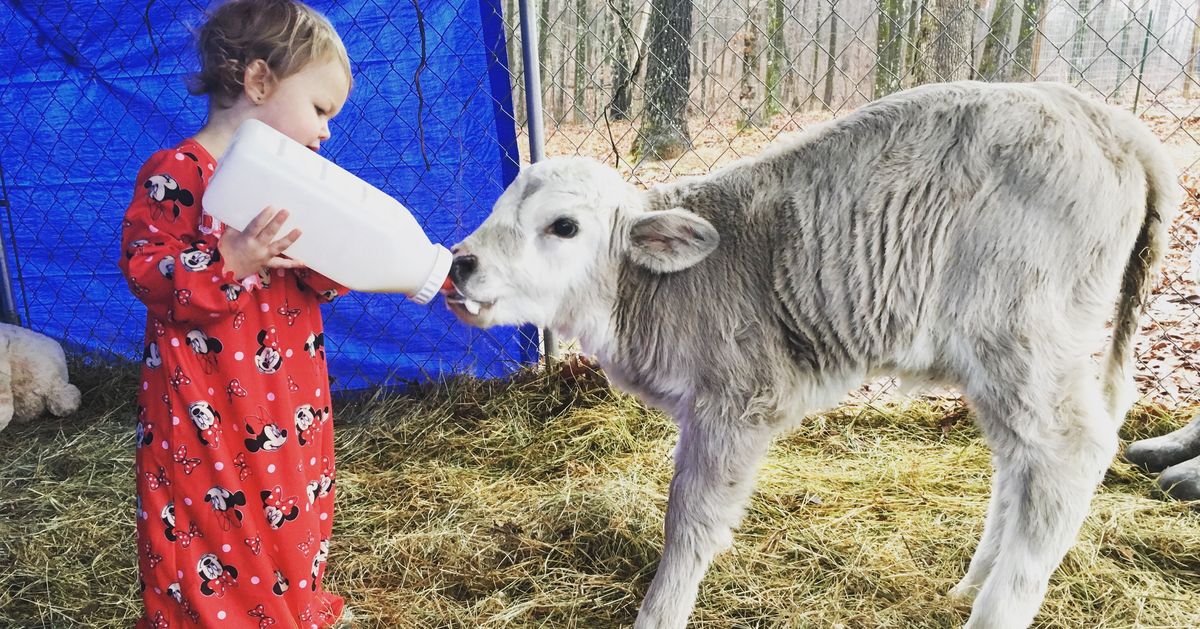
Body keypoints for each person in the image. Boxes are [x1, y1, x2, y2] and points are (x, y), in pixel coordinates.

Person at [118, 1, 354, 625]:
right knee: (209, 518)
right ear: (257, 82)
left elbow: (331, 277)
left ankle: (288, 606)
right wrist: (231, 259)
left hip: (288, 400)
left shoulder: (299, 184)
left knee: (293, 503)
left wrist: (340, 252)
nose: (326, 130)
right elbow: (148, 271)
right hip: (208, 411)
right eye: (319, 109)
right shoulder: (177, 174)